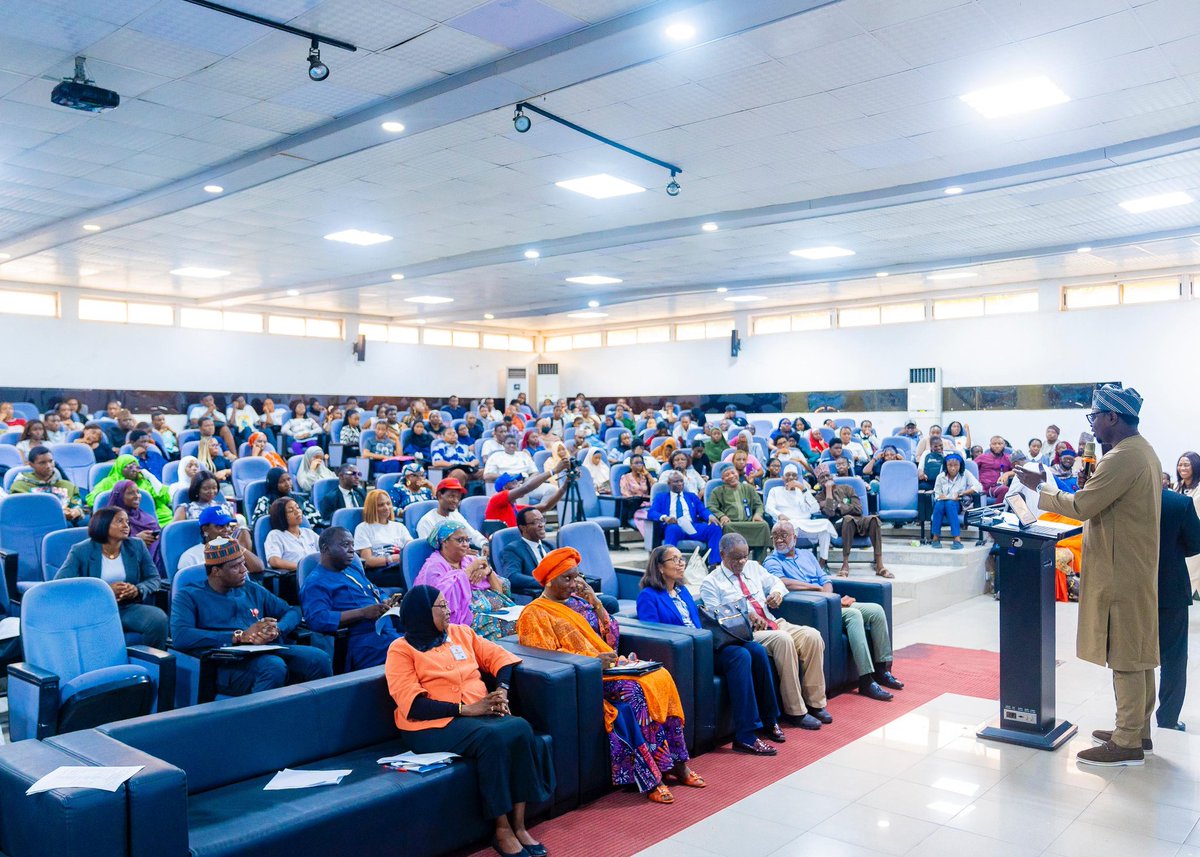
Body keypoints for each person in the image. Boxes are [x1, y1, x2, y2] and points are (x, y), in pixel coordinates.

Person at [1015, 383, 1161, 766]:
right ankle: (1137, 730)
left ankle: (1126, 741)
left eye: (1094, 417)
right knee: (1139, 651)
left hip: (1120, 570)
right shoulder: (1141, 451)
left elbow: (1081, 506)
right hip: (1134, 566)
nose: (1092, 426)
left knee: (1126, 654)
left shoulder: (1121, 458)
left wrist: (1040, 487)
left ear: (1112, 417)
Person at [518, 547, 702, 803]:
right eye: (567, 578)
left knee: (661, 676)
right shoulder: (535, 613)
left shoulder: (580, 603)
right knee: (635, 692)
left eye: (577, 577)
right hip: (583, 679)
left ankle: (678, 763)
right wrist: (592, 662)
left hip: (610, 668)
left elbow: (611, 639)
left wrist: (595, 602)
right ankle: (652, 776)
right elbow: (546, 659)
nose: (574, 585)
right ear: (549, 580)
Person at [385, 586, 551, 857]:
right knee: (492, 739)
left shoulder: (461, 633)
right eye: (441, 607)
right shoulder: (400, 650)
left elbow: (502, 659)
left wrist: (502, 691)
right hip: (429, 726)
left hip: (478, 714)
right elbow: (412, 705)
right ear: (422, 613)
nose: (449, 611)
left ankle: (520, 825)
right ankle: (501, 829)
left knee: (520, 727)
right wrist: (466, 709)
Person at [638, 545, 781, 755]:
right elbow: (652, 634)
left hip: (703, 647)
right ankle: (745, 735)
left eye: (681, 559)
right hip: (684, 654)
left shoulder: (682, 590)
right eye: (674, 560)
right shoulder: (648, 596)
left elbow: (698, 624)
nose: (681, 563)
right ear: (660, 567)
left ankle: (769, 719)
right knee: (740, 655)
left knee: (756, 650)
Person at [171, 537, 332, 695]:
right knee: (273, 667)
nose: (244, 570)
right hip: (224, 661)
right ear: (216, 571)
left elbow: (292, 611)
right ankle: (258, 721)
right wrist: (239, 636)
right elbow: (181, 636)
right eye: (235, 566)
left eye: (243, 563)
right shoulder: (189, 595)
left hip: (263, 650)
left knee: (318, 658)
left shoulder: (250, 588)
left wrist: (277, 629)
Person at [699, 533, 828, 730]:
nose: (742, 562)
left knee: (812, 636)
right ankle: (795, 711)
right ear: (722, 554)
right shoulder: (711, 582)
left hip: (773, 621)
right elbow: (718, 618)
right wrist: (746, 616)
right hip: (748, 633)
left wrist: (777, 594)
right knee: (783, 640)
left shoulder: (754, 567)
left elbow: (777, 583)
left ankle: (815, 703)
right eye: (736, 558)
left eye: (745, 556)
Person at [766, 522, 902, 701]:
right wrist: (819, 592)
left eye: (783, 535)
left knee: (876, 611)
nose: (779, 539)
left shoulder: (806, 555)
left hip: (829, 602)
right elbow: (783, 582)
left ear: (795, 538)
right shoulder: (771, 561)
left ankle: (882, 669)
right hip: (810, 607)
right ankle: (866, 680)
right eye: (775, 536)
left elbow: (825, 579)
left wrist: (830, 598)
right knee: (854, 615)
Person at [56, 506, 168, 648]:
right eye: (119, 521)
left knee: (157, 619)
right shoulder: (81, 550)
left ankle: (152, 664)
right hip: (92, 608)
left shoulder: (137, 545)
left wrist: (137, 589)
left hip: (125, 607)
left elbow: (154, 579)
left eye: (127, 521)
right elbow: (59, 584)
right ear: (103, 524)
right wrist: (105, 590)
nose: (126, 525)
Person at [300, 527, 403, 671]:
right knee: (414, 651)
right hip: (364, 642)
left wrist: (385, 600)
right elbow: (317, 619)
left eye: (352, 545)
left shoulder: (351, 569)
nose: (351, 550)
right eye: (345, 545)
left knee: (429, 638)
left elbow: (375, 589)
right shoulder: (315, 583)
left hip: (388, 631)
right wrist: (362, 613)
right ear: (325, 548)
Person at [415, 521, 516, 641]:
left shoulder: (469, 560)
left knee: (525, 620)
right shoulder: (433, 567)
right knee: (506, 628)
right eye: (460, 540)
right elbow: (442, 600)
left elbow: (499, 592)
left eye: (467, 540)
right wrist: (469, 570)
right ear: (444, 542)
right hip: (463, 621)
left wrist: (489, 572)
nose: (466, 545)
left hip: (496, 612)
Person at [1155, 488, 1200, 732]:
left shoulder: (1125, 498)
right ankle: (1168, 719)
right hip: (1171, 587)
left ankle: (1132, 720)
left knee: (1131, 658)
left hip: (1132, 589)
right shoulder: (1179, 503)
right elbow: (1196, 542)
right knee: (1173, 658)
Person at [816, 466, 891, 578]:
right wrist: (828, 491)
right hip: (839, 526)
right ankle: (845, 564)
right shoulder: (819, 497)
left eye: (828, 475)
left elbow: (858, 509)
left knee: (874, 519)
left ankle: (879, 564)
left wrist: (840, 506)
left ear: (832, 476)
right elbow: (830, 512)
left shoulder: (847, 488)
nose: (826, 479)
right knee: (847, 519)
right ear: (818, 481)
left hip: (858, 520)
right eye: (822, 477)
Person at [764, 464, 837, 566]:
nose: (791, 478)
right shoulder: (775, 491)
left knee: (825, 525)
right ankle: (790, 560)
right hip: (786, 525)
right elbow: (769, 508)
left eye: (794, 475)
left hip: (804, 524)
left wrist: (803, 489)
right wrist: (779, 515)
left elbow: (815, 508)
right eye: (788, 475)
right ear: (783, 477)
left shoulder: (802, 492)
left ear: (797, 478)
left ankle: (823, 562)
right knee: (791, 524)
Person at [650, 471, 724, 562]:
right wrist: (665, 517)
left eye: (681, 481)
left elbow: (702, 510)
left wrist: (710, 516)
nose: (680, 484)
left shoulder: (691, 496)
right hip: (675, 526)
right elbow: (652, 512)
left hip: (692, 526)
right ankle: (668, 562)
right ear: (669, 484)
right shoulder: (661, 497)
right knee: (672, 528)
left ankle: (714, 563)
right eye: (676, 482)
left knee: (715, 527)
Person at [88, 453, 173, 526]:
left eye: (135, 466)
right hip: (125, 518)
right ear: (120, 469)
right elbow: (92, 499)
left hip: (155, 515)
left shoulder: (143, 481)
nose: (133, 470)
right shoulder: (108, 482)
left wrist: (151, 477)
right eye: (128, 467)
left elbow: (165, 498)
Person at [176, 506, 263, 577]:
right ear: (205, 529)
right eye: (220, 526)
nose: (227, 530)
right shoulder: (191, 556)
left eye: (228, 525)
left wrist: (237, 546)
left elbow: (259, 568)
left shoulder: (233, 549)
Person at [709, 462, 771, 561]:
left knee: (764, 526)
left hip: (749, 523)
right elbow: (711, 506)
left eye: (733, 473)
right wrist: (721, 516)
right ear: (723, 479)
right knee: (726, 528)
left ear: (737, 473)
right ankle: (732, 561)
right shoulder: (717, 491)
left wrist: (757, 515)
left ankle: (760, 562)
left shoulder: (749, 488)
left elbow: (759, 505)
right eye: (727, 475)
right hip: (732, 524)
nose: (731, 476)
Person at [9, 446, 84, 524]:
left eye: (51, 461)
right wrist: (57, 513)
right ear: (31, 464)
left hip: (65, 525)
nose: (48, 466)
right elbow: (21, 513)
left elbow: (77, 505)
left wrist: (76, 511)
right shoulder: (19, 487)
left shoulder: (68, 486)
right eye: (42, 463)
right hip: (34, 527)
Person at [483, 466, 568, 530]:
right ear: (505, 488)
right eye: (514, 482)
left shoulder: (515, 508)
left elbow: (545, 506)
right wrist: (553, 471)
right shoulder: (496, 499)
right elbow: (526, 488)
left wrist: (565, 486)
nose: (519, 484)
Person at [417, 478, 488, 549]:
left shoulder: (456, 515)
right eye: (451, 496)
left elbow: (472, 534)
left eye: (458, 497)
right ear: (439, 495)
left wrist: (484, 544)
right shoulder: (426, 521)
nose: (456, 501)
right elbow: (428, 551)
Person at [353, 489, 412, 574]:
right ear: (372, 508)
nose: (386, 508)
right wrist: (391, 559)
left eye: (388, 504)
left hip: (400, 566)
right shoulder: (363, 528)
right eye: (381, 505)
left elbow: (411, 549)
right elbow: (367, 561)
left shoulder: (399, 527)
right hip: (379, 571)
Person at [930, 453, 981, 549]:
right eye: (950, 465)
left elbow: (978, 486)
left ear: (960, 465)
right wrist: (940, 496)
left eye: (956, 465)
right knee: (939, 504)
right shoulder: (940, 477)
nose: (953, 468)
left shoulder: (965, 474)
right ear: (946, 465)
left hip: (957, 503)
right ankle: (936, 537)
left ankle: (956, 539)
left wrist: (963, 493)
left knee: (950, 504)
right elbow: (936, 493)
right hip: (942, 503)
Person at [106, 478, 162, 566]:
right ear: (120, 496)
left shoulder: (144, 516)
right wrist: (135, 539)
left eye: (138, 492)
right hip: (129, 562)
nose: (137, 496)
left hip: (157, 557)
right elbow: (108, 547)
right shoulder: (110, 520)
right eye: (130, 493)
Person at [264, 496, 321, 573]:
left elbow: (327, 549)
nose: (297, 512)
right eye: (291, 511)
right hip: (295, 575)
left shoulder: (308, 532)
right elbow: (274, 561)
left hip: (317, 572)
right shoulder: (275, 535)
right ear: (281, 516)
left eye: (297, 508)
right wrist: (303, 567)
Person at [251, 467, 321, 527]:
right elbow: (258, 523)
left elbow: (316, 515)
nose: (287, 484)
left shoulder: (297, 498)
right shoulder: (266, 500)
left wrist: (298, 523)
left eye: (289, 479)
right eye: (282, 482)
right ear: (274, 484)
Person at [975, 436, 1012, 502]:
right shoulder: (982, 457)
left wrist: (1007, 474)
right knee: (1005, 489)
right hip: (983, 488)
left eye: (1000, 444)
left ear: (1004, 445)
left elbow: (1017, 470)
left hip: (998, 486)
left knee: (1005, 489)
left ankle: (997, 510)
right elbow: (971, 469)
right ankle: (997, 510)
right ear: (990, 445)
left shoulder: (1008, 458)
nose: (997, 446)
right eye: (994, 444)